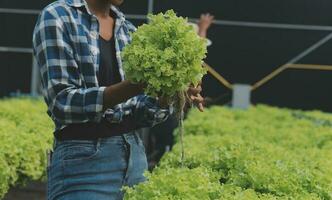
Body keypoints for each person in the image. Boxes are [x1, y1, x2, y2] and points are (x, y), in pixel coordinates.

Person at [32, 0, 204, 199]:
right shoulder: (58, 16)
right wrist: (136, 84)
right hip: (83, 165)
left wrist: (169, 95)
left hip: (135, 159)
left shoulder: (126, 28)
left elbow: (139, 112)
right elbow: (63, 102)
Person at [148, 13, 214, 166]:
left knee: (171, 132)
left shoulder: (191, 59)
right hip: (166, 108)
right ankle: (159, 157)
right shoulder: (173, 61)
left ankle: (162, 155)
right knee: (166, 132)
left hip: (175, 107)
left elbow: (200, 47)